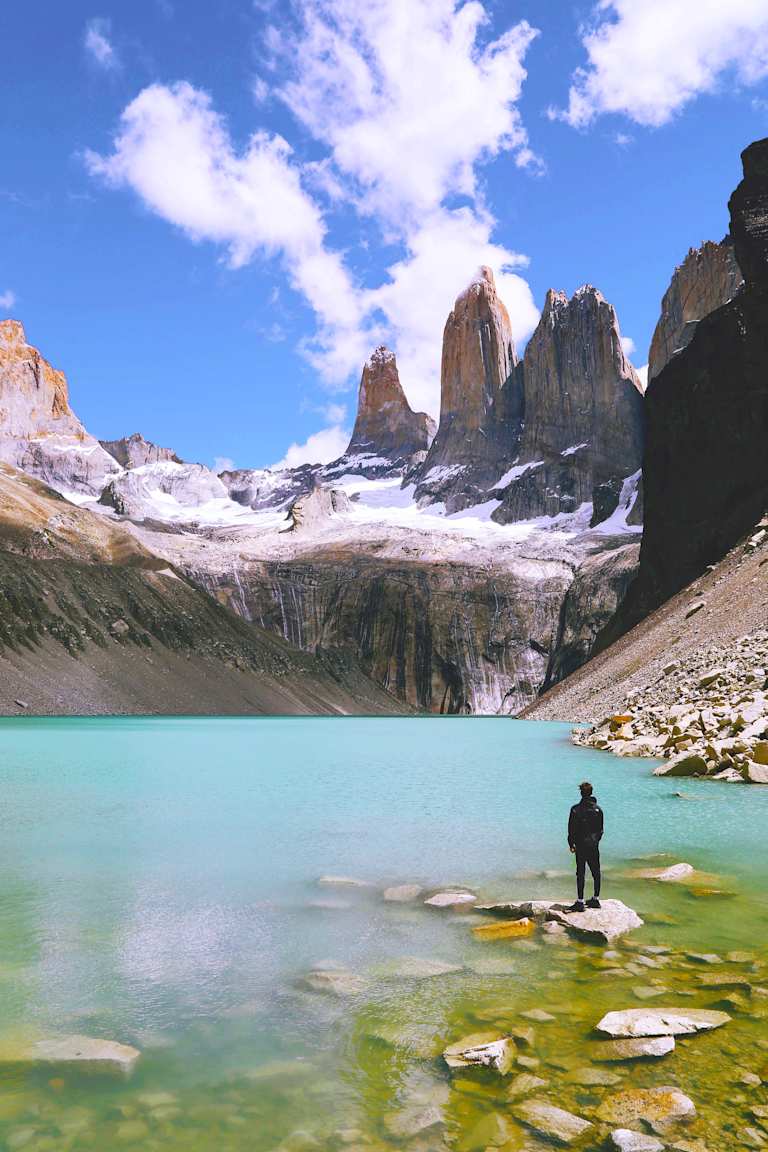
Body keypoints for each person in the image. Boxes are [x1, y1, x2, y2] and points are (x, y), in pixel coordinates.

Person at [567, 781, 603, 912]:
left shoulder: (576, 809)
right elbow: (601, 830)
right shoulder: (598, 809)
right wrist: (595, 841)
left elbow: (571, 829)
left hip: (581, 845)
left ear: (581, 793)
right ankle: (595, 899)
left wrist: (571, 844)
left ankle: (580, 901)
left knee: (580, 873)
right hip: (593, 845)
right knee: (596, 872)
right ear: (591, 792)